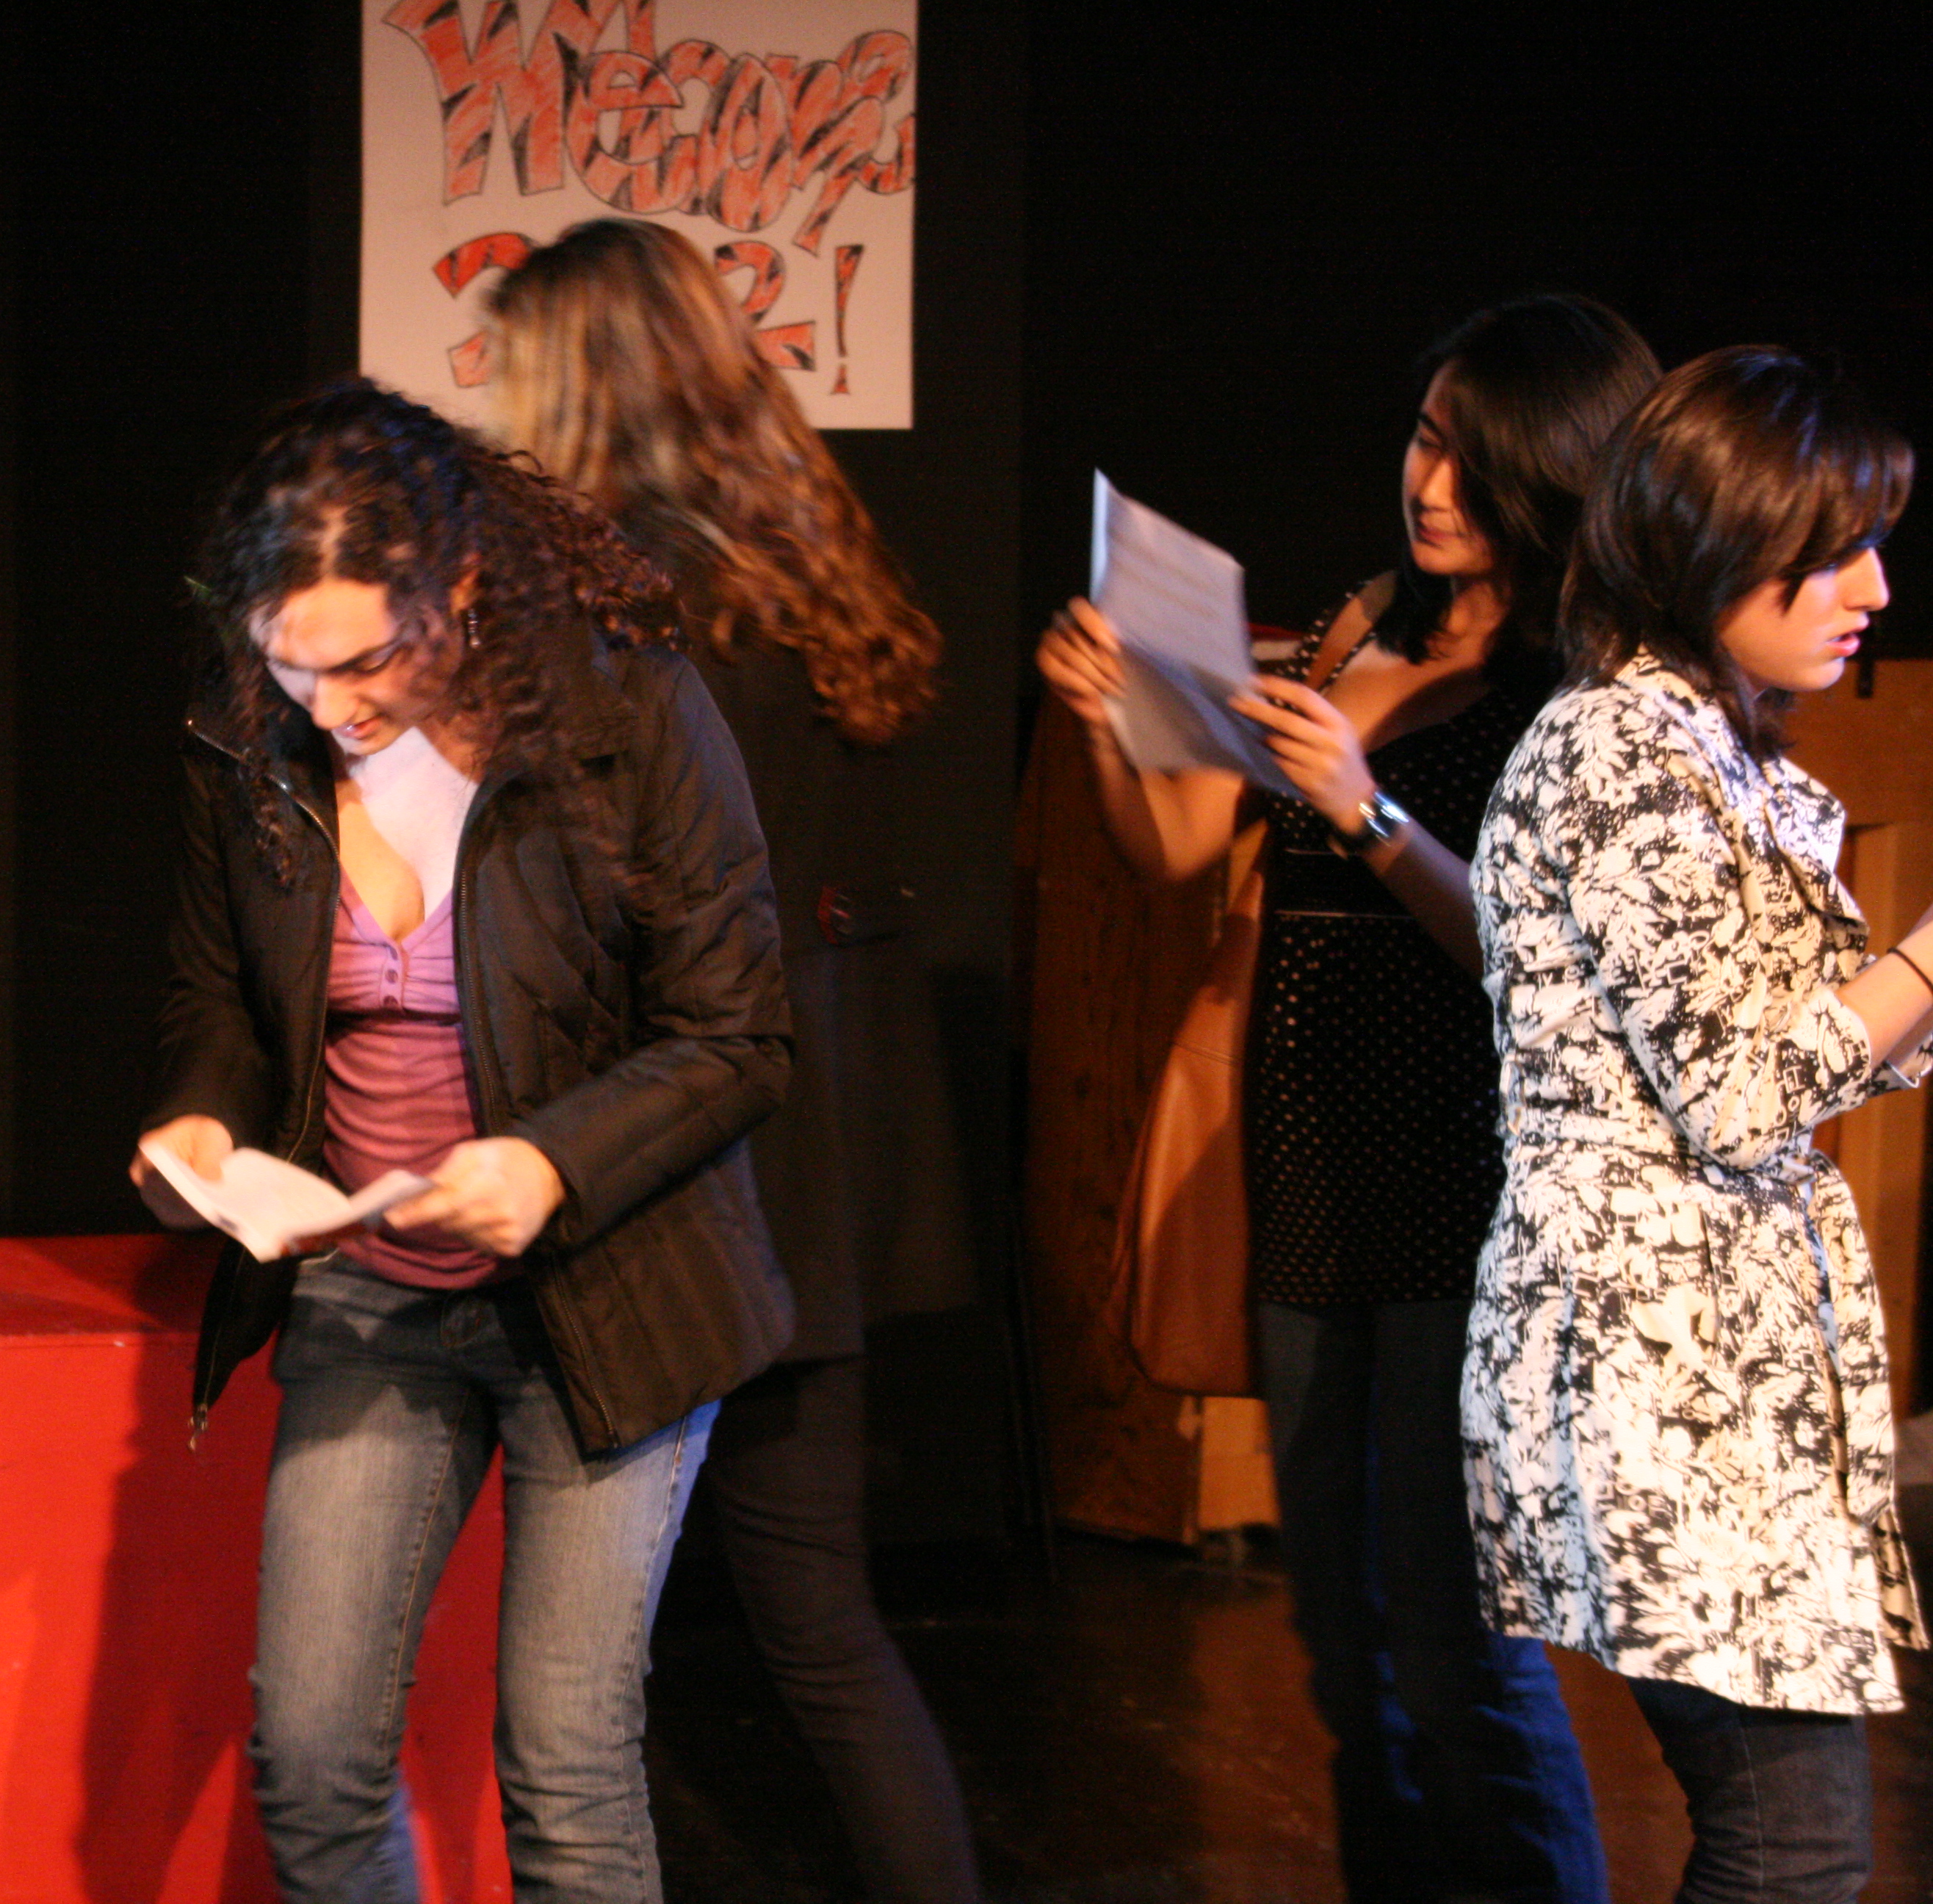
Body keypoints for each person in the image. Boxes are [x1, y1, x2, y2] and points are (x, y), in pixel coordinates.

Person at [131, 377, 794, 1902]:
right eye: (290, 663)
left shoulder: (625, 710)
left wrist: (552, 1162)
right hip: (369, 1294)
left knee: (564, 1770)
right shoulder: (252, 739)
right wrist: (200, 1120)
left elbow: (739, 1033)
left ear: (466, 584)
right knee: (312, 1762)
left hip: (607, 1296)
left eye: (367, 660)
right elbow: (217, 993)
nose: (331, 707)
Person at [1036, 295, 1658, 1903]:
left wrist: (1365, 806)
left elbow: (1540, 959)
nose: (1429, 482)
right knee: (1343, 1635)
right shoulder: (1356, 629)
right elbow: (1178, 847)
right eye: (1424, 438)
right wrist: (1111, 724)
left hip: (1474, 1195)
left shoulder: (1583, 688)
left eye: (1472, 456)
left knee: (1454, 1644)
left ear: (1556, 470)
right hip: (1311, 1176)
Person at [485, 215, 982, 1904]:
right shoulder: (798, 565)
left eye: (518, 372)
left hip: (689, 1159)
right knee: (821, 1618)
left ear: (585, 380)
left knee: (580, 1661)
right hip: (822, 1156)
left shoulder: (628, 597)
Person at [1468, 346, 1926, 1903]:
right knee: (1795, 1849)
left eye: (1877, 545)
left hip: (1720, 1363)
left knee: (1795, 1843)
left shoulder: (1718, 750)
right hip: (1662, 1371)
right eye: (1833, 549)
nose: (1874, 587)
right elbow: (1737, 1092)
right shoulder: (1618, 750)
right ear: (1711, 541)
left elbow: (1828, 1051)